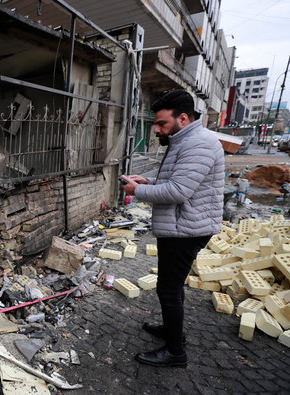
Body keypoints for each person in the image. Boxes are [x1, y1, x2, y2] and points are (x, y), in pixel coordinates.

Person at [120, 90, 224, 367]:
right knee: (171, 286)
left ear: (182, 118)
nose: (156, 129)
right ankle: (171, 331)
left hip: (187, 228)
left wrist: (137, 190)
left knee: (168, 289)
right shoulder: (184, 139)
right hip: (182, 225)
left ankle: (175, 352)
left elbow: (179, 190)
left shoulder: (198, 143)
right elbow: (177, 177)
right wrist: (148, 179)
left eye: (162, 123)